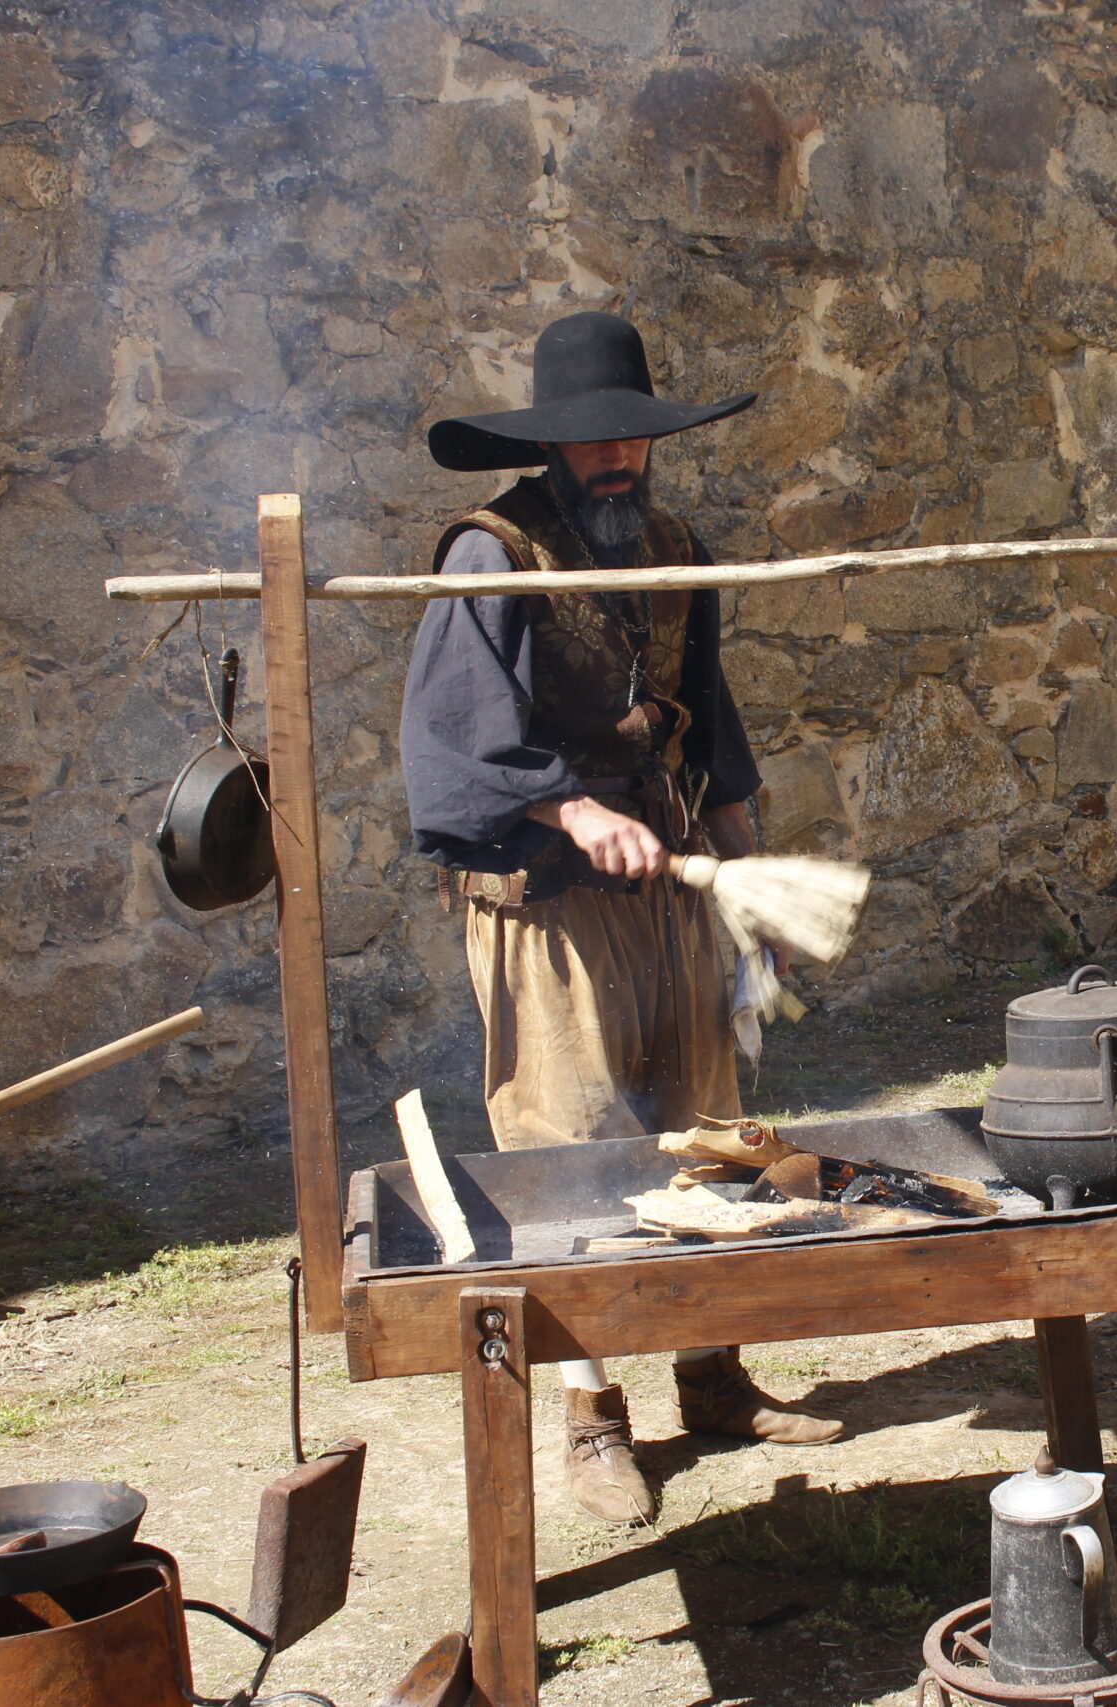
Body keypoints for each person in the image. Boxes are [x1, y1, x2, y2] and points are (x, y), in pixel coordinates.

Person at [400, 310, 842, 1524]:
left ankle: (713, 1375)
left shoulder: (672, 545)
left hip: (675, 891)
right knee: (574, 1153)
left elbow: (712, 729)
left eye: (632, 438)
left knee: (709, 1133)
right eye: (594, 440)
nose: (617, 458)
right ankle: (593, 1419)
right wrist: (569, 808)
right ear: (550, 444)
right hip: (549, 911)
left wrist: (750, 881)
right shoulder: (489, 556)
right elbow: (451, 742)